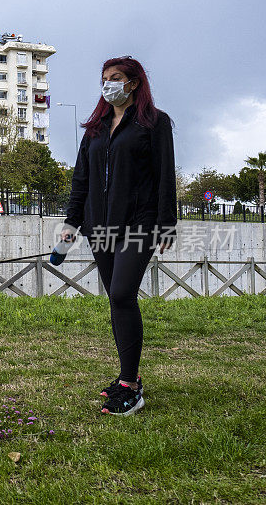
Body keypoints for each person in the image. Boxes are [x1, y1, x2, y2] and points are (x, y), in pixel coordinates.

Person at [62, 56, 177, 416]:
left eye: (116, 78)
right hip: (100, 226)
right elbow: (81, 179)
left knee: (124, 293)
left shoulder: (154, 124)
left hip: (139, 224)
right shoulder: (94, 129)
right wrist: (70, 224)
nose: (108, 83)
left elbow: (164, 175)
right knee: (116, 298)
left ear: (133, 83)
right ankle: (130, 377)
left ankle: (130, 387)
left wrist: (166, 223)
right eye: (104, 78)